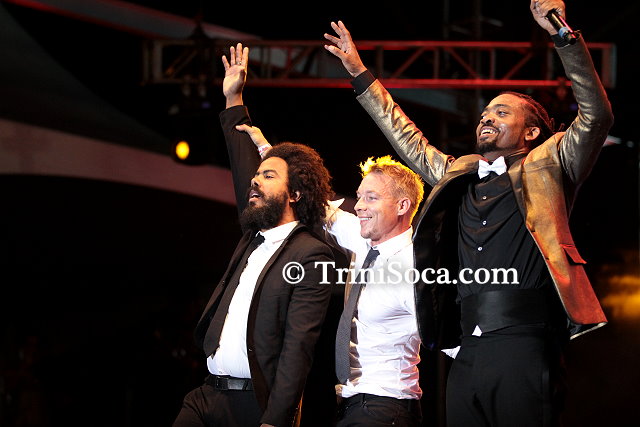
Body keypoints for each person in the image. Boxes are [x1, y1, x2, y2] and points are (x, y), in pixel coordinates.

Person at [324, 0, 613, 425]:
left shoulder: (552, 163)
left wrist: (562, 35)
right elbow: (407, 137)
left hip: (524, 339)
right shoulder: (460, 173)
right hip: (467, 346)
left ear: (532, 132)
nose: (486, 118)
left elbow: (596, 116)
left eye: (501, 112)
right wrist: (360, 74)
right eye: (484, 113)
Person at [221, 45, 434, 426]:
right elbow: (318, 206)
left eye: (371, 198)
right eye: (360, 196)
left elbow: (445, 333)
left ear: (403, 206)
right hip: (354, 403)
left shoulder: (412, 266)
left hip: (388, 407)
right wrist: (269, 152)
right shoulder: (364, 243)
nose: (360, 206)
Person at [173, 46, 336, 427]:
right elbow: (241, 162)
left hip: (253, 406)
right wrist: (234, 99)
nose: (255, 180)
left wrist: (276, 419)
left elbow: (298, 348)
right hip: (206, 395)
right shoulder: (253, 235)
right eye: (257, 175)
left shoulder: (311, 254)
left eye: (268, 176)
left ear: (295, 194)